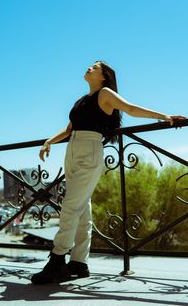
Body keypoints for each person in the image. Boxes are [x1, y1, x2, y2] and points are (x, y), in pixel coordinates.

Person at [31, 60, 185, 284]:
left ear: (103, 76)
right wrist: (49, 141)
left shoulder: (105, 94)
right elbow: (69, 129)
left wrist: (164, 116)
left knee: (70, 206)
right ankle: (79, 263)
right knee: (82, 208)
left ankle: (56, 261)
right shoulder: (81, 101)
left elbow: (130, 108)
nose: (89, 68)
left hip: (90, 149)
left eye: (94, 67)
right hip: (73, 149)